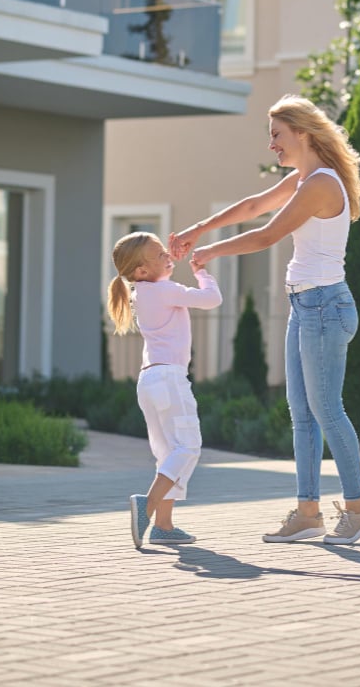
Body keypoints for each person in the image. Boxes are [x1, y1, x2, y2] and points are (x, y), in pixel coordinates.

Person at [170, 94, 360, 545]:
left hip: (325, 306)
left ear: (302, 133)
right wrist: (196, 230)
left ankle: (358, 509)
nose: (272, 146)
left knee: (327, 410)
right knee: (301, 415)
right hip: (306, 306)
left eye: (277, 135)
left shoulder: (321, 184)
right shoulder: (306, 178)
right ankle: (307, 513)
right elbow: (251, 207)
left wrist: (210, 252)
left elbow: (267, 234)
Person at [107, 231, 222, 549]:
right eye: (159, 255)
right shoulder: (163, 290)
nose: (167, 257)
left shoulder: (142, 292)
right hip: (170, 380)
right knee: (188, 448)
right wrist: (202, 273)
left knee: (168, 454)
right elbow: (212, 300)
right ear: (141, 271)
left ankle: (164, 526)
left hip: (150, 381)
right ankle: (148, 507)